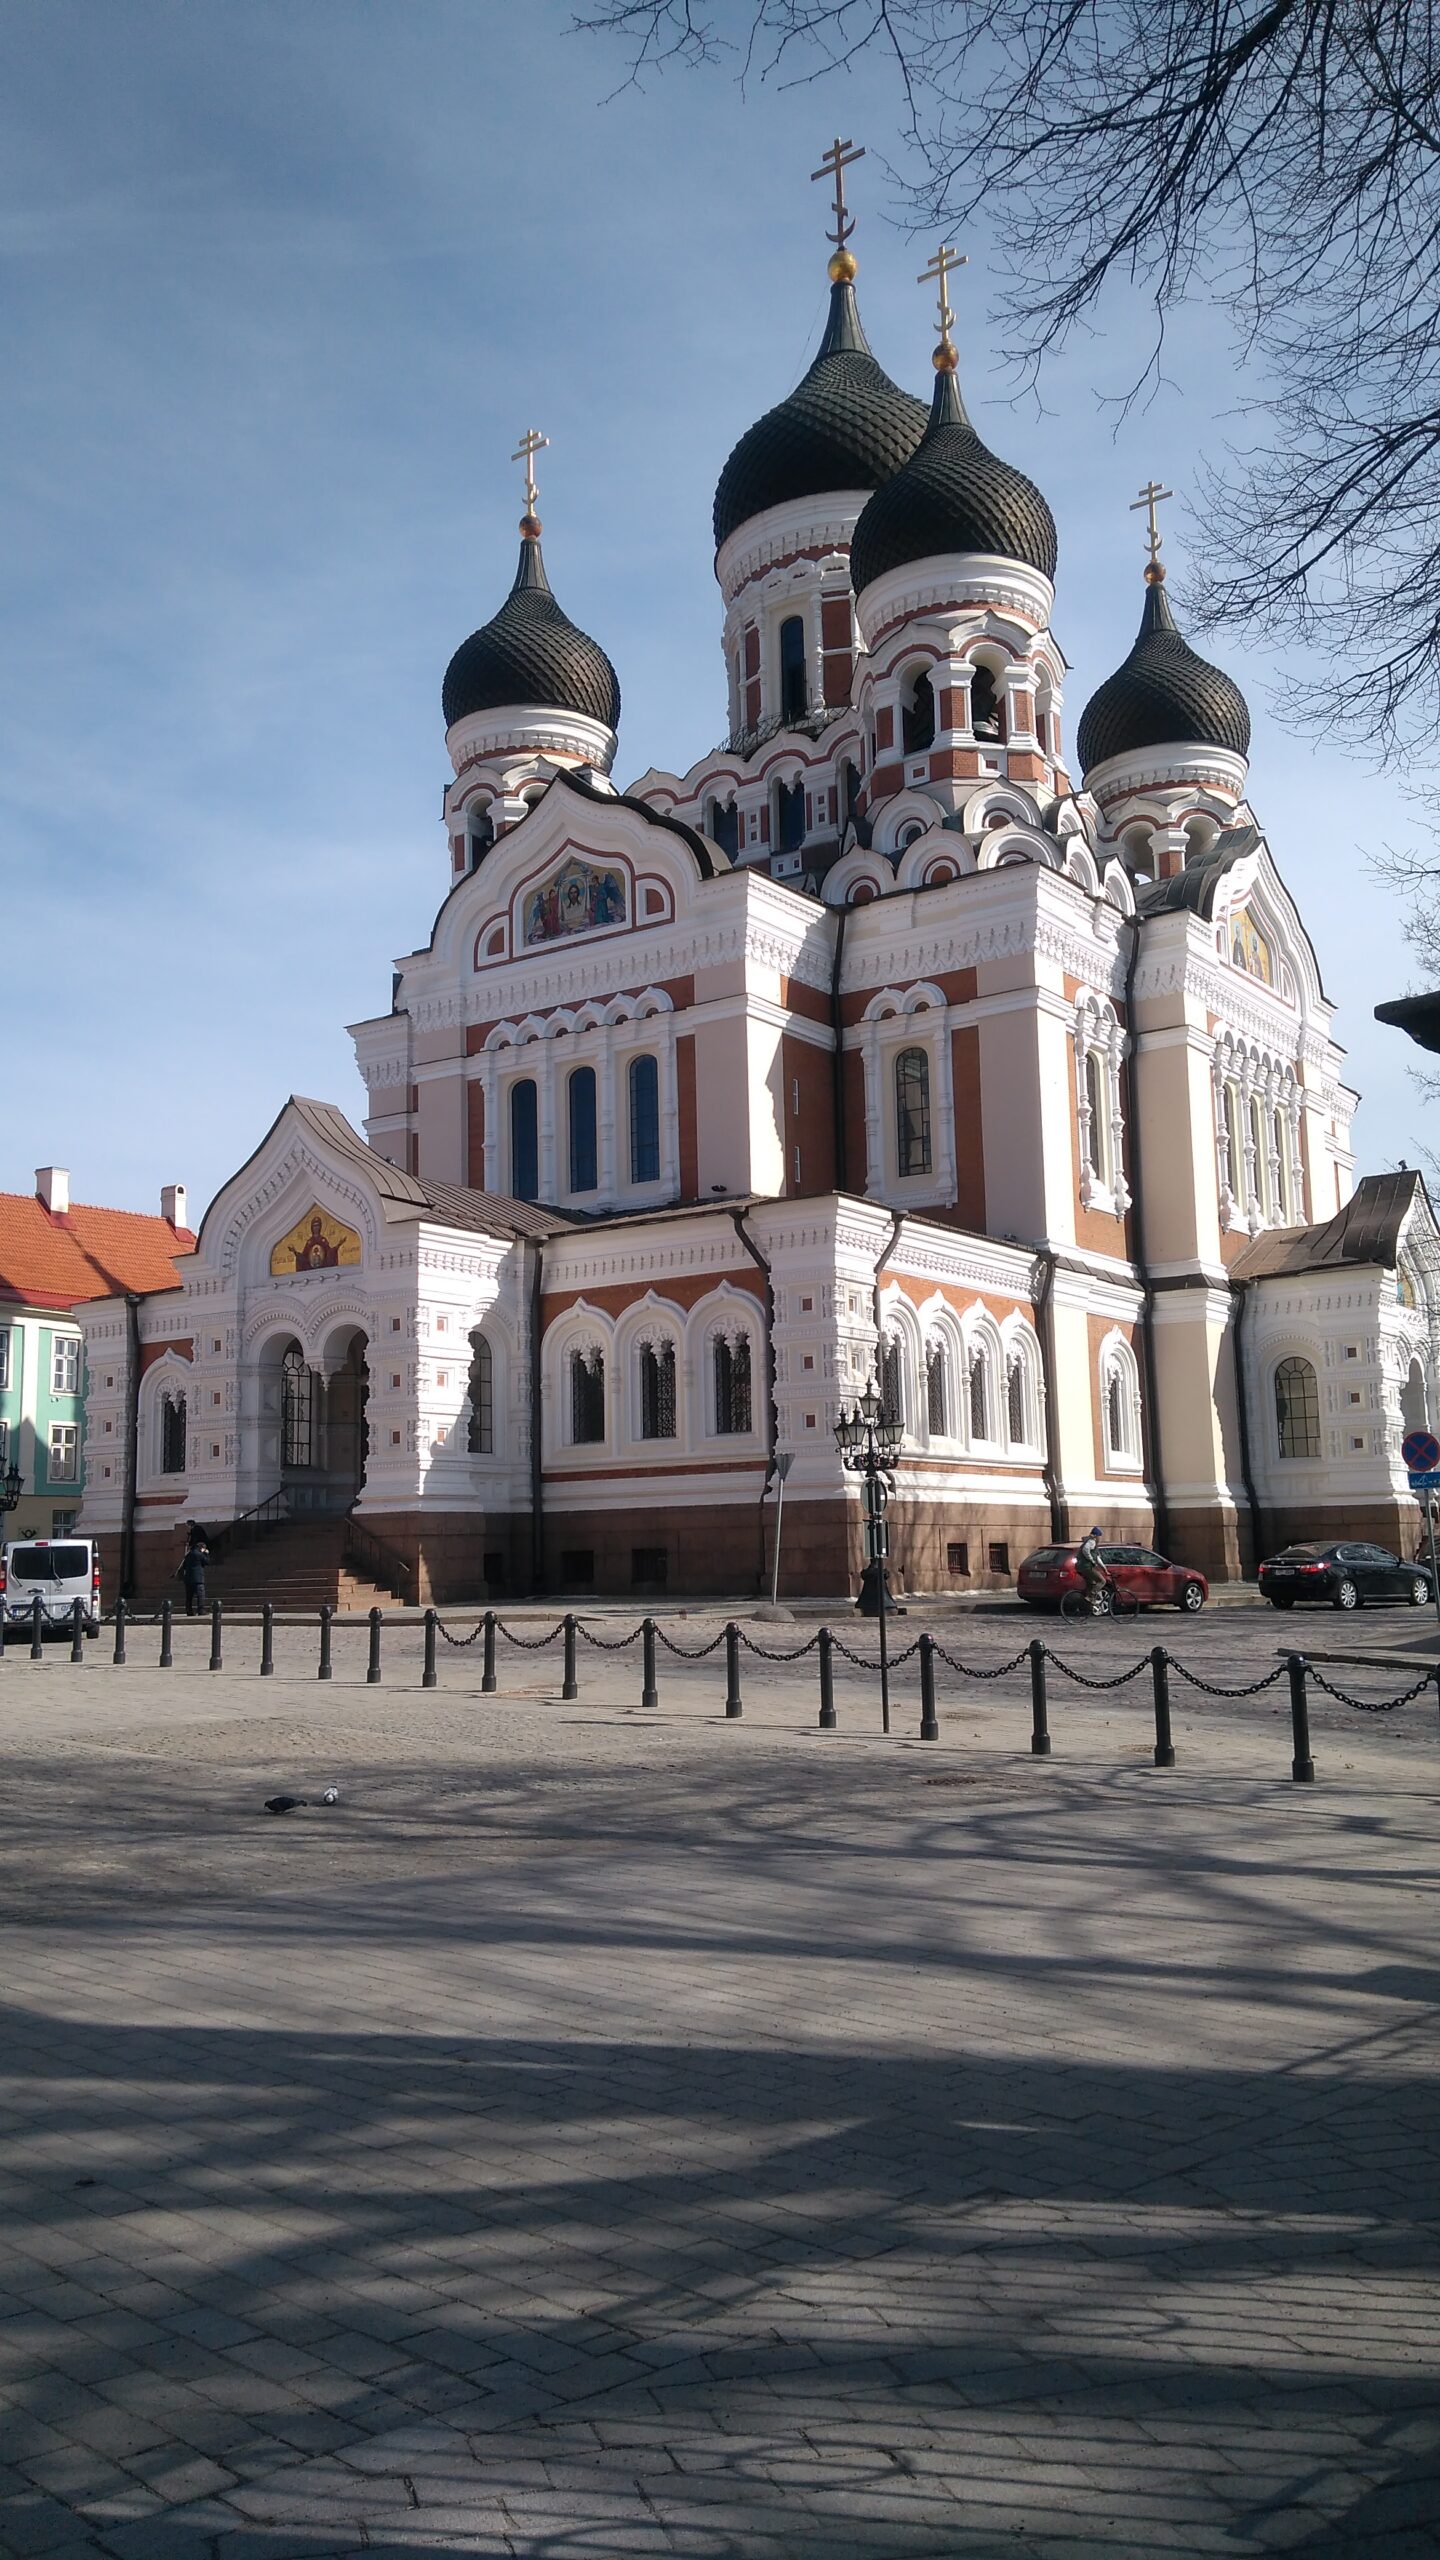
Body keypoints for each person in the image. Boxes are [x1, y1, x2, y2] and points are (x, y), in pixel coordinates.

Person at [1075, 1525, 1110, 1617]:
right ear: (1096, 1536)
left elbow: (1098, 1558)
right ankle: (1090, 1597)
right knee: (1102, 1581)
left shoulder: (1092, 1543)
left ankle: (1086, 1605)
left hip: (1081, 1567)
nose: (1100, 1538)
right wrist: (1091, 1560)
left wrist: (1104, 1569)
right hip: (1086, 1567)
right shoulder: (1091, 1542)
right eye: (1099, 1536)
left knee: (1092, 1584)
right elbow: (1085, 1550)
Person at [178, 1524, 210, 1617]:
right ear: (202, 1548)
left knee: (189, 1596)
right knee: (200, 1595)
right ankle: (201, 1610)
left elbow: (184, 1566)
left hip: (188, 1578)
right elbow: (207, 1562)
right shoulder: (199, 1554)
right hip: (198, 1579)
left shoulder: (188, 1554)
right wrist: (206, 1554)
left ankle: (189, 1611)